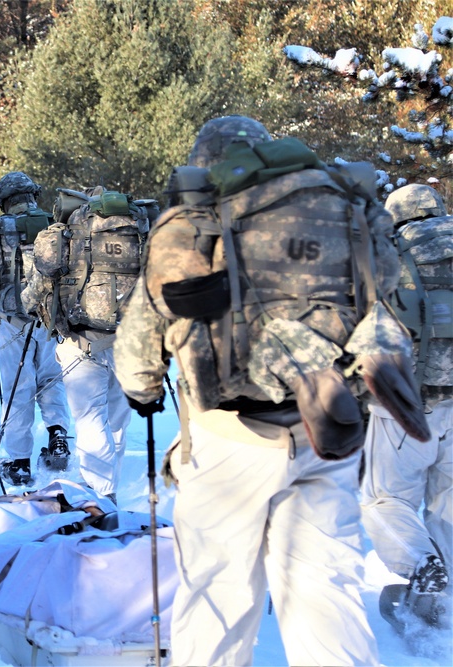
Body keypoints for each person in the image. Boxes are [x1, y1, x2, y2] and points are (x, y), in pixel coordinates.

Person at [114, 115, 421, 666]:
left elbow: (139, 347)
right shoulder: (336, 207)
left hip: (229, 435)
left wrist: (144, 391)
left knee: (219, 589)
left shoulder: (196, 222)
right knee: (326, 588)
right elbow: (388, 281)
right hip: (327, 427)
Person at [361, 183, 451, 627]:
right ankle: (442, 598)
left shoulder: (389, 252)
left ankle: (421, 567)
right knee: (449, 504)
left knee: (384, 499)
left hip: (407, 404)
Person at [28, 185, 146, 503]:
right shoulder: (139, 226)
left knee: (91, 416)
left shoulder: (68, 232)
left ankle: (100, 491)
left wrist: (31, 303)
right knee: (118, 415)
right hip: (131, 338)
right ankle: (109, 480)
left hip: (83, 338)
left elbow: (41, 282)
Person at [0, 172, 71, 486]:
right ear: (32, 195)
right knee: (51, 380)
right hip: (49, 318)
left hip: (13, 320)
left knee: (17, 390)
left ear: (5, 199)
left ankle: (20, 462)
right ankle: (58, 435)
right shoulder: (53, 224)